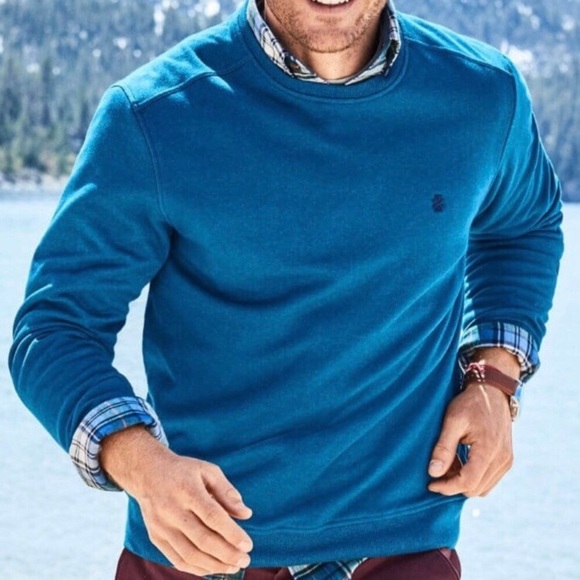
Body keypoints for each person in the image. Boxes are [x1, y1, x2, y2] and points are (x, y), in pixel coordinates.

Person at [9, 0, 563, 578]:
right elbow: (55, 329)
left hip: (403, 549)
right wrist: (140, 463)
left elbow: (524, 227)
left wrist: (495, 378)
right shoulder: (154, 115)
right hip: (196, 555)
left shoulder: (483, 94)